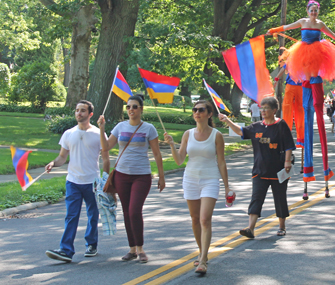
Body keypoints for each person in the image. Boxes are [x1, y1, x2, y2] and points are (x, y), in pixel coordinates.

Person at [267, 0, 335, 182]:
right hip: (303, 50)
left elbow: (333, 35)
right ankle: (307, 85)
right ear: (307, 10)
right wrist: (274, 30)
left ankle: (313, 84)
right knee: (304, 71)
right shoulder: (302, 21)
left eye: (316, 10)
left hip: (318, 50)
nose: (314, 13)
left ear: (318, 11)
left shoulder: (320, 24)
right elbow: (287, 27)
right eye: (311, 10)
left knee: (314, 72)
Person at [164, 100, 231, 275]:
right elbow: (179, 160)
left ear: (209, 114)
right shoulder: (188, 134)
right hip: (190, 179)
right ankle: (203, 252)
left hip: (210, 179)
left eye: (201, 110)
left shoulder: (216, 135)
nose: (197, 113)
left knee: (204, 219)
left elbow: (222, 162)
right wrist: (172, 144)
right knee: (195, 219)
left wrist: (226, 187)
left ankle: (202, 260)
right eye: (195, 110)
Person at [97, 94, 165, 263]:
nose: (131, 110)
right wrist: (101, 128)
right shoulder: (120, 127)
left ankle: (141, 248)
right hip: (121, 175)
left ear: (141, 109)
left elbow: (157, 153)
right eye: (128, 107)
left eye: (134, 107)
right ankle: (132, 249)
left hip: (141, 175)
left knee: (135, 210)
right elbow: (105, 147)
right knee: (127, 212)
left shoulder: (149, 128)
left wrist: (161, 176)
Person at [219, 96, 295, 238]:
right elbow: (241, 131)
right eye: (262, 108)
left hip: (278, 170)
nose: (263, 111)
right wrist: (227, 120)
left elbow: (289, 145)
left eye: (266, 108)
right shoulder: (257, 126)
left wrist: (287, 162)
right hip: (260, 170)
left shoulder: (281, 125)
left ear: (274, 110)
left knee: (280, 198)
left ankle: (282, 226)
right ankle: (250, 228)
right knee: (256, 198)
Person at [45, 100, 110, 262]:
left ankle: (91, 245)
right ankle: (66, 250)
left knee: (92, 215)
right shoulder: (68, 134)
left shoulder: (98, 134)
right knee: (71, 216)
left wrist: (105, 179)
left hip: (92, 182)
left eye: (82, 110)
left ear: (90, 114)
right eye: (76, 110)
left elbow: (106, 157)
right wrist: (53, 163)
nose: (78, 113)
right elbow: (62, 157)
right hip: (73, 181)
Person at [274, 65, 305, 147]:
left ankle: (300, 139)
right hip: (294, 86)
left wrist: (277, 79)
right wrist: (276, 78)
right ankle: (288, 138)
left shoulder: (305, 58)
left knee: (298, 111)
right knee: (291, 111)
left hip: (299, 86)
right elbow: (284, 68)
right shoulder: (293, 58)